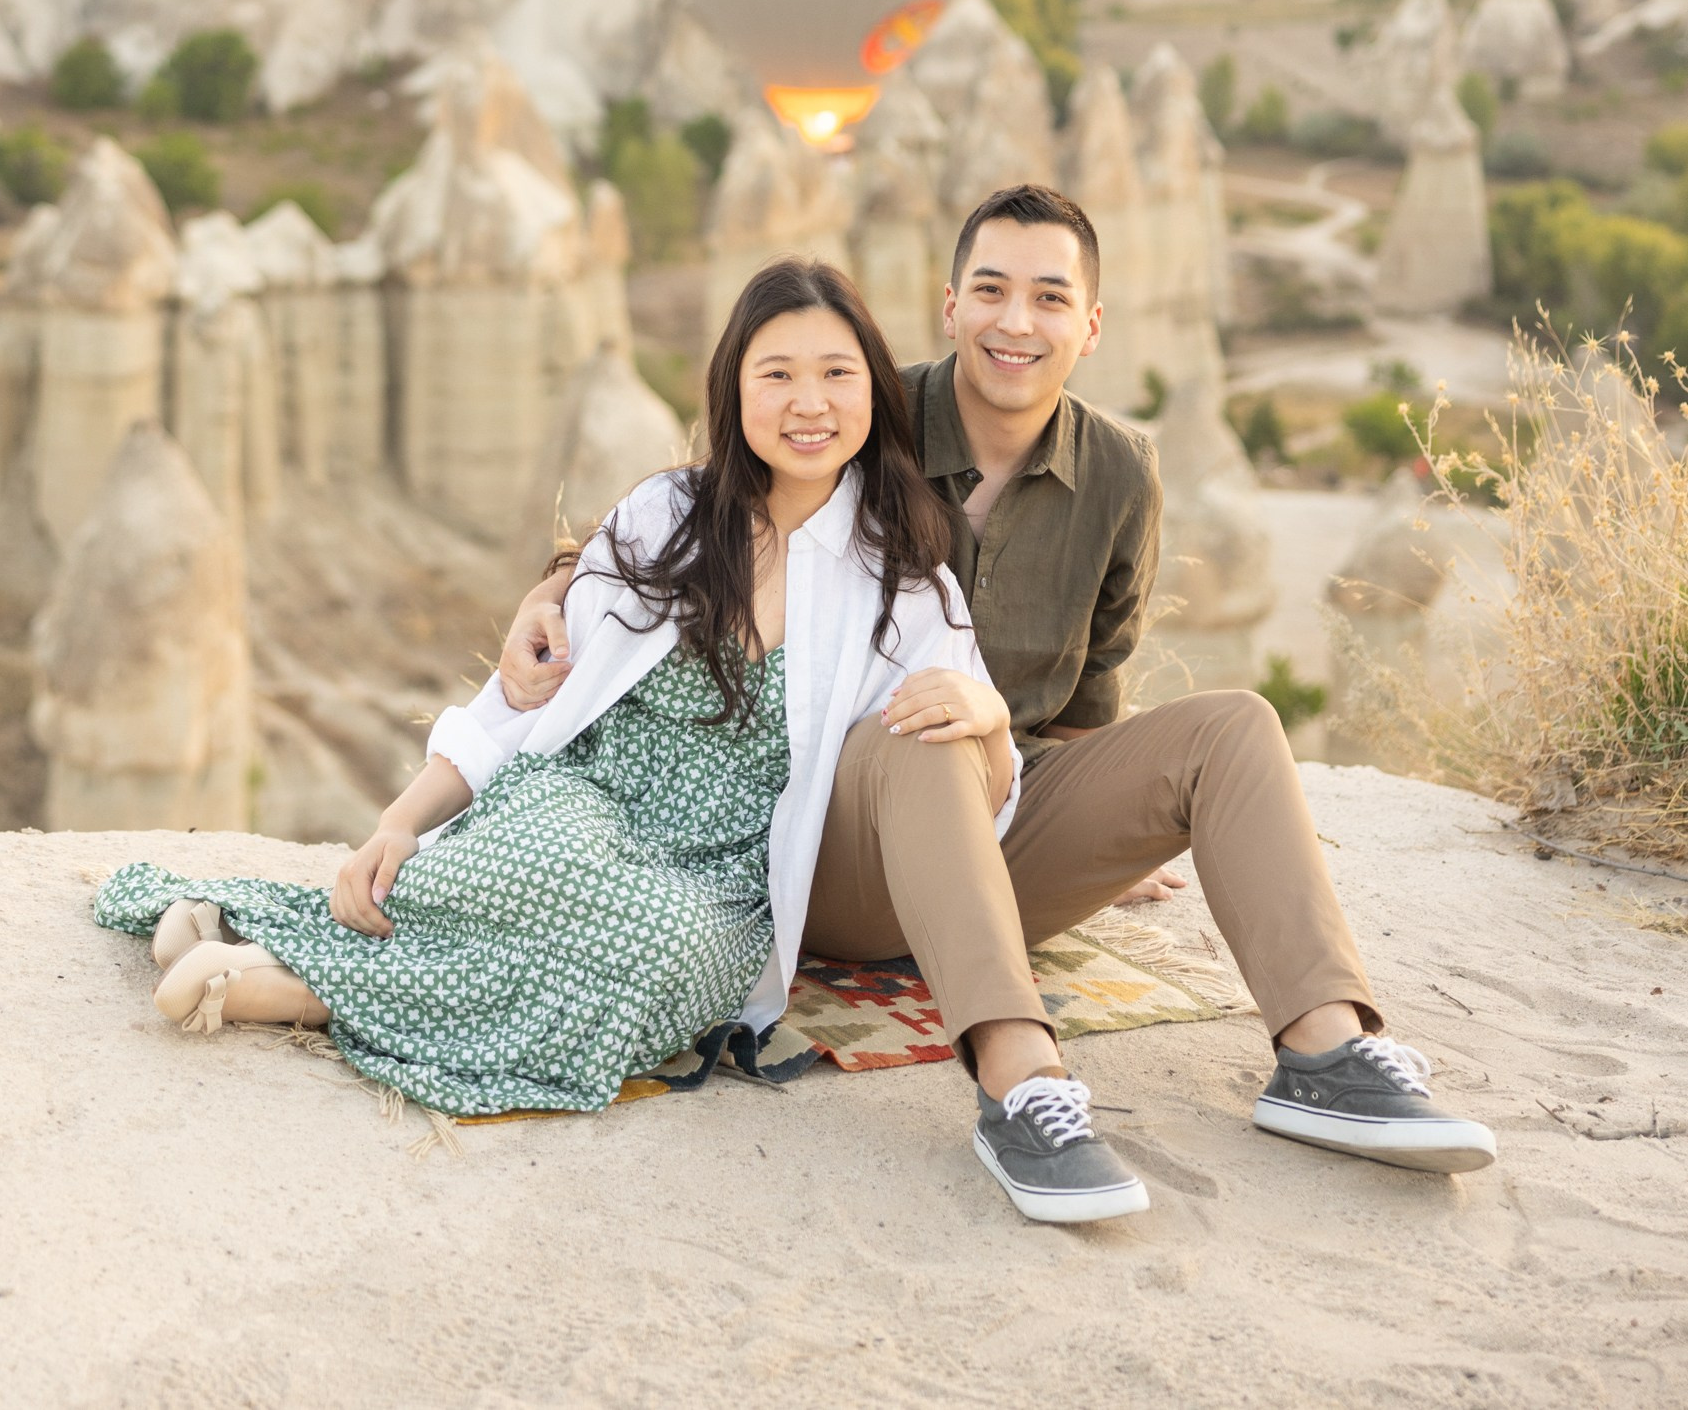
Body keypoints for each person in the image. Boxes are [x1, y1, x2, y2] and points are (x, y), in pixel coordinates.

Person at [499, 182, 1497, 1222]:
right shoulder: (861, 417)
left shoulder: (1119, 474)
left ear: (1090, 324)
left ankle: (1323, 1052)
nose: (1015, 323)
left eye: (1048, 298)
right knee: (927, 720)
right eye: (990, 291)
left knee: (1233, 725)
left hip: (999, 813)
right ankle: (1021, 1089)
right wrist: (558, 581)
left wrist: (1112, 834)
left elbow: (1089, 689)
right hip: (834, 835)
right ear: (949, 307)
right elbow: (700, 518)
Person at [90, 258, 1025, 1135]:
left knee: (661, 953)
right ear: (734, 391)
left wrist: (990, 721)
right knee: (539, 868)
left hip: (718, 876)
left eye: (836, 374)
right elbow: (529, 698)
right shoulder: (663, 516)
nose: (808, 404)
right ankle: (266, 949)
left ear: (873, 391)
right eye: (776, 375)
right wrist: (400, 821)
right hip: (588, 800)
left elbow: (969, 781)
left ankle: (288, 982)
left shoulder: (903, 582)